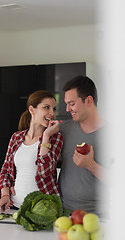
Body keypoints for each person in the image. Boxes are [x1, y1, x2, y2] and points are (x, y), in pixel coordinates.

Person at [0, 90, 63, 211]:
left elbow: (45, 173)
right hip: (15, 206)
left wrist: (46, 136)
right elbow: (5, 170)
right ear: (32, 110)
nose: (52, 113)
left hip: (44, 208)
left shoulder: (55, 138)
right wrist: (5, 195)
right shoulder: (16, 137)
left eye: (54, 109)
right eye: (47, 107)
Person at [58, 75, 110, 218]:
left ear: (88, 100)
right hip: (64, 213)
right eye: (66, 104)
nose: (67, 109)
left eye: (72, 103)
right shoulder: (63, 129)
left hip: (99, 217)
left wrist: (91, 165)